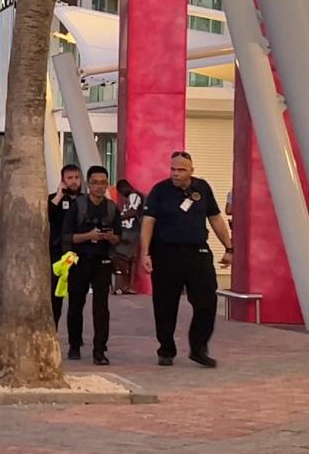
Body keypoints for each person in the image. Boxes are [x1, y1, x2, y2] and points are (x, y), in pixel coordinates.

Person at [139, 150, 232, 368]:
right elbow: (148, 223)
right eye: (172, 169)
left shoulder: (202, 188)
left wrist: (229, 247)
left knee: (207, 302)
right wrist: (145, 253)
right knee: (165, 305)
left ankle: (198, 348)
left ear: (192, 170)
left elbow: (216, 219)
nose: (175, 173)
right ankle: (166, 349)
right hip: (166, 254)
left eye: (181, 170)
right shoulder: (159, 191)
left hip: (197, 252)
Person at [62, 165, 121, 364]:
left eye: (102, 183)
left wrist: (110, 237)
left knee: (101, 307)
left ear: (107, 184)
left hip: (102, 261)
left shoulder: (112, 208)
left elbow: (119, 239)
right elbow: (67, 237)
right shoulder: (78, 206)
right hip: (79, 260)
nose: (98, 187)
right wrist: (89, 235)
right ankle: (74, 344)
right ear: (88, 183)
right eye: (94, 183)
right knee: (76, 304)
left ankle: (99, 350)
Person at [48, 164, 83, 321]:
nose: (74, 181)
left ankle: (75, 337)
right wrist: (58, 196)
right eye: (69, 178)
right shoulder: (54, 199)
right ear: (63, 180)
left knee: (77, 297)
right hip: (58, 252)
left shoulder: (84, 201)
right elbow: (46, 216)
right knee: (55, 294)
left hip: (79, 252)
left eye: (76, 177)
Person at [115, 179, 144, 294]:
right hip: (131, 230)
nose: (121, 194)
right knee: (131, 259)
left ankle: (125, 285)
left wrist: (118, 218)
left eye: (121, 191)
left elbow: (133, 211)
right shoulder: (132, 196)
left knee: (121, 256)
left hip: (130, 230)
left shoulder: (134, 195)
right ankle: (128, 286)